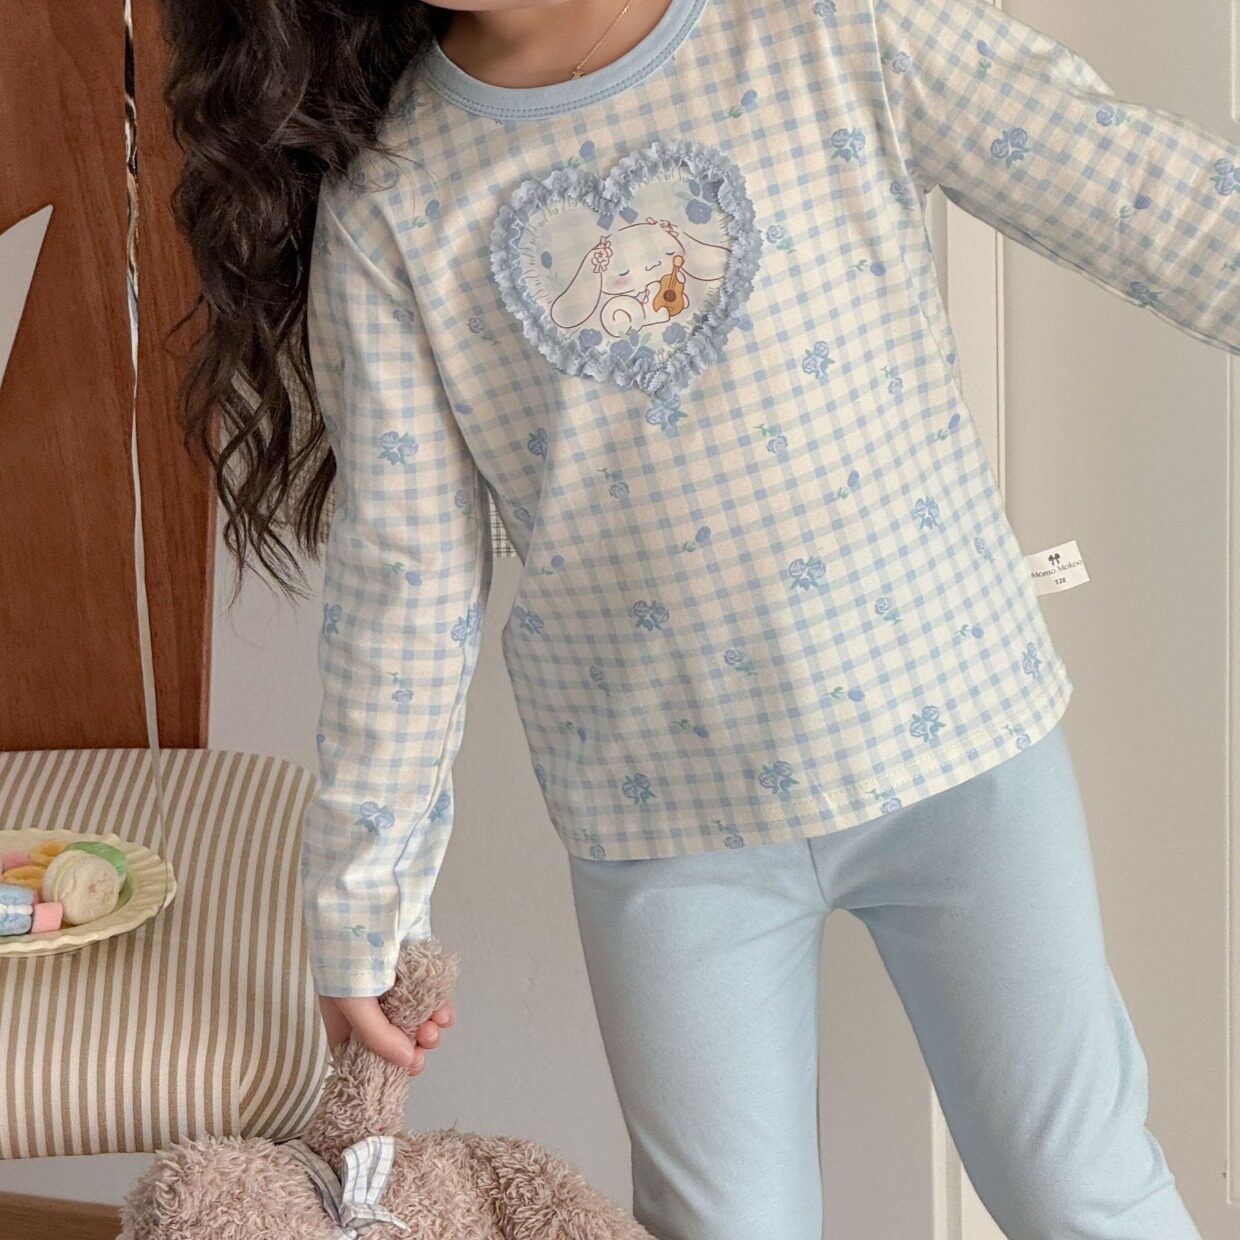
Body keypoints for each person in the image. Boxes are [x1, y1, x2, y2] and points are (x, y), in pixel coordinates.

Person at [160, 0, 1238, 1235]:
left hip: (958, 746)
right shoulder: (397, 198)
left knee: (1080, 1186)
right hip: (663, 825)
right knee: (722, 1224)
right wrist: (364, 906)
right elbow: (404, 583)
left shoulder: (820, 25)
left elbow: (1138, 189)